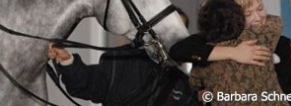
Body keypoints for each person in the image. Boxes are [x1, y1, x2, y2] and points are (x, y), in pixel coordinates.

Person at [170, 0, 291, 105]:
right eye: (248, 14)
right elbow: (178, 51)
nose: (258, 18)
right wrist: (233, 52)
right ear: (232, 15)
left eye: (260, 8)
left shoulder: (279, 43)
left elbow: (288, 92)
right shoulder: (217, 36)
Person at [48, 8, 200, 106]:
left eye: (180, 32)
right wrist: (68, 61)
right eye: (169, 30)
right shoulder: (119, 60)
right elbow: (87, 84)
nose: (174, 37)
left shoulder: (186, 84)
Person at [189, 0, 288, 106]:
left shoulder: (205, 57)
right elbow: (276, 22)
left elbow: (194, 83)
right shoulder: (258, 40)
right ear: (239, 18)